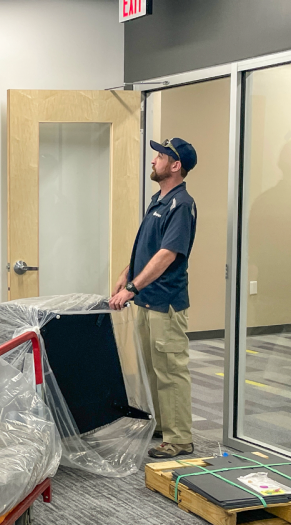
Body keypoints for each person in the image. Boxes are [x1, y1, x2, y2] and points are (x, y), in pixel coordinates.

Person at [109, 137, 198, 459]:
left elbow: (166, 255)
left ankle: (180, 438)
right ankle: (162, 426)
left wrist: (131, 288)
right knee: (152, 369)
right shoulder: (159, 200)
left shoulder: (182, 204)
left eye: (160, 157)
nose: (153, 161)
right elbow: (146, 248)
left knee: (171, 371)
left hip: (165, 302)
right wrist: (125, 274)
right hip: (147, 298)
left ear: (176, 166)